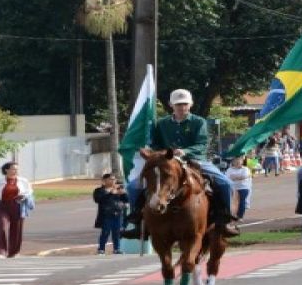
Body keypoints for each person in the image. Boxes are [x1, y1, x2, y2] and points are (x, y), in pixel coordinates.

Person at [123, 89, 239, 239]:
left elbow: (202, 144)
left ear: (190, 104)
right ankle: (137, 222)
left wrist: (185, 151)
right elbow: (156, 143)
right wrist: (153, 151)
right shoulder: (162, 124)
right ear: (171, 105)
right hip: (167, 162)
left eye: (184, 104)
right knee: (133, 186)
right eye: (178, 104)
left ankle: (226, 220)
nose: (182, 107)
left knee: (226, 184)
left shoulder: (199, 122)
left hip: (195, 160)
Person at [0, 161, 33, 258]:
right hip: (3, 207)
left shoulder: (23, 181)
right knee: (2, 227)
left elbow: (29, 191)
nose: (15, 171)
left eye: (16, 169)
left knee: (17, 229)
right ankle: (1, 252)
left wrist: (23, 195)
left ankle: (14, 252)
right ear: (6, 170)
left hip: (18, 206)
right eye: (13, 169)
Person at [93, 173, 128, 255]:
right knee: (105, 232)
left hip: (118, 214)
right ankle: (101, 249)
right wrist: (110, 193)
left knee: (117, 233)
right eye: (111, 179)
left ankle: (117, 249)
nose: (113, 181)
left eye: (114, 179)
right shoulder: (99, 190)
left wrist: (124, 194)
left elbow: (126, 201)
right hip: (106, 215)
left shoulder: (118, 189)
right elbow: (98, 199)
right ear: (104, 181)